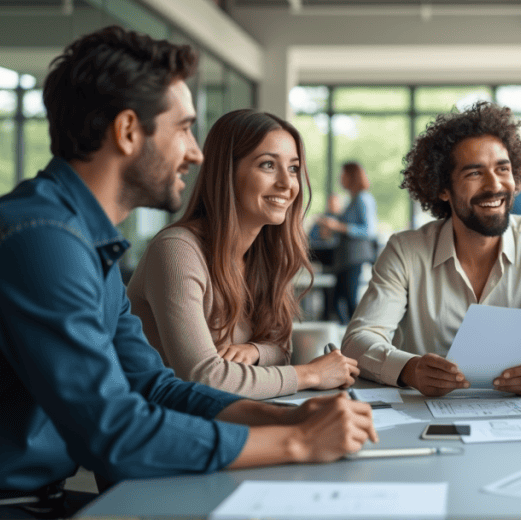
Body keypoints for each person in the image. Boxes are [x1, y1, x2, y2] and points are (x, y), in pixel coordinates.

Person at [0, 27, 376, 518]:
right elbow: (114, 432)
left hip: (34, 499)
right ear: (129, 131)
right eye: (183, 129)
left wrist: (294, 414)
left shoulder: (87, 241)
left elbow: (154, 386)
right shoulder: (41, 240)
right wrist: (297, 441)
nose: (195, 152)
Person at [341, 101, 521, 397]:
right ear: (443, 188)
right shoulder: (405, 250)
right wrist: (410, 369)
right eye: (474, 173)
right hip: (422, 416)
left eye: (503, 169)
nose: (494, 185)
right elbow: (358, 341)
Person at [127, 110, 359, 400]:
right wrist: (311, 374)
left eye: (293, 168)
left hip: (223, 419)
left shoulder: (266, 255)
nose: (287, 184)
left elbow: (280, 349)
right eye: (267, 165)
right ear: (227, 173)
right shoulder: (176, 251)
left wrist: (255, 351)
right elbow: (204, 378)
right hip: (162, 429)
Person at [318, 162, 378, 324]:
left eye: (343, 175)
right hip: (345, 258)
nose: (340, 178)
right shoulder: (352, 200)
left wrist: (338, 226)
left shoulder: (363, 199)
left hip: (354, 258)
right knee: (338, 299)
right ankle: (349, 335)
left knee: (349, 300)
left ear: (351, 176)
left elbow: (369, 230)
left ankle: (357, 336)